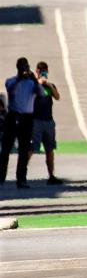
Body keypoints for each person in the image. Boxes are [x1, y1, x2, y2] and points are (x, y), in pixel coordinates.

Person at [0, 57, 39, 188]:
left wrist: (34, 79)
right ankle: (1, 176)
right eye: (22, 66)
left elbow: (42, 93)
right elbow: (11, 90)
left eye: (25, 66)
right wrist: (19, 78)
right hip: (13, 116)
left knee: (23, 150)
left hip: (27, 118)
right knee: (5, 148)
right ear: (17, 67)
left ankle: (21, 179)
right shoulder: (11, 81)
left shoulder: (32, 83)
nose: (24, 69)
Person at [28, 62, 61, 185]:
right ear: (36, 71)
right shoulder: (33, 85)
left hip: (48, 121)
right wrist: (38, 84)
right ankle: (22, 174)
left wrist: (48, 85)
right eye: (40, 70)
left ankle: (51, 175)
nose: (42, 72)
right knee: (32, 148)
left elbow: (57, 97)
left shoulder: (50, 86)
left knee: (50, 149)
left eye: (44, 70)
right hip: (36, 121)